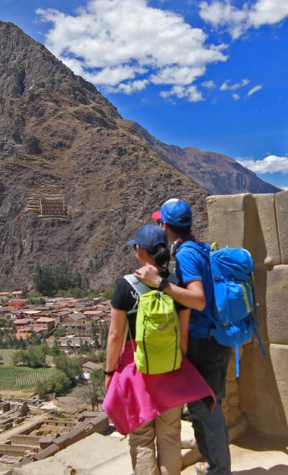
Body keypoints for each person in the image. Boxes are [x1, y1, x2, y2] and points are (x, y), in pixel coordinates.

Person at [102, 224, 214, 475]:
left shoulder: (126, 285)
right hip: (171, 368)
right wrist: (178, 366)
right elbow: (182, 334)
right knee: (170, 435)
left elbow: (116, 336)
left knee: (141, 437)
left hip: (136, 371)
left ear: (140, 250)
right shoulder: (176, 285)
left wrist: (109, 373)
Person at [137, 199, 232, 475]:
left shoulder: (187, 254)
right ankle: (215, 465)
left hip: (204, 342)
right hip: (216, 338)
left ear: (165, 225)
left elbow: (198, 300)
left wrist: (160, 284)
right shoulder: (199, 247)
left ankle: (220, 470)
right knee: (209, 405)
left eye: (159, 222)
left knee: (205, 409)